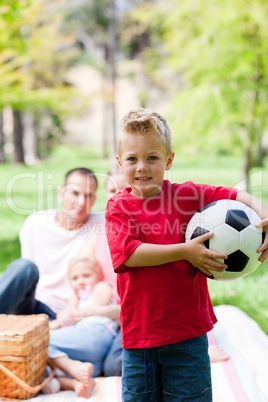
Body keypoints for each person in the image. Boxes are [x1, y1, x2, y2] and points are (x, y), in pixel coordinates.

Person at [105, 108, 268, 401]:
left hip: (188, 333)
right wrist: (185, 252)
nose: (142, 167)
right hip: (141, 335)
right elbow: (129, 254)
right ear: (120, 163)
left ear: (169, 161)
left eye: (152, 158)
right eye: (132, 159)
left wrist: (264, 215)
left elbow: (235, 195)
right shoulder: (118, 208)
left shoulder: (186, 195)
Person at [0, 167, 121, 375]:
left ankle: (54, 363)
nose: (82, 202)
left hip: (74, 314)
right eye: (75, 193)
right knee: (24, 268)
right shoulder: (36, 223)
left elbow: (124, 207)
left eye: (89, 195)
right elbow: (25, 283)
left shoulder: (99, 224)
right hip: (37, 309)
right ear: (61, 192)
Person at [46, 255, 117, 395]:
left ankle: (72, 367)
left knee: (39, 342)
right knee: (42, 364)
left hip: (95, 332)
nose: (80, 281)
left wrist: (68, 316)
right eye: (75, 278)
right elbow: (67, 315)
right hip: (90, 357)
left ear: (99, 275)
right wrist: (72, 301)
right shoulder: (78, 296)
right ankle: (77, 382)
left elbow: (96, 307)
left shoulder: (101, 287)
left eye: (86, 275)